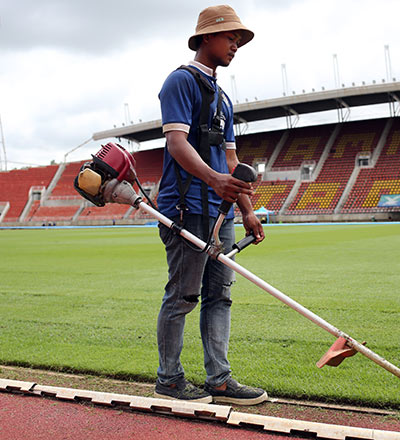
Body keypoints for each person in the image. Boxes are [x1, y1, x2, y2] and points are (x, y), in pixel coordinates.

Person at [153, 5, 267, 405]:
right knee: (183, 296)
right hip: (186, 207)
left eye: (238, 40)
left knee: (220, 295)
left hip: (221, 210)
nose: (236, 45)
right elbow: (177, 143)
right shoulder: (180, 82)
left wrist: (248, 210)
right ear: (206, 38)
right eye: (230, 37)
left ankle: (219, 378)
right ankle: (169, 380)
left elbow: (233, 163)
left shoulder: (224, 99)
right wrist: (216, 180)